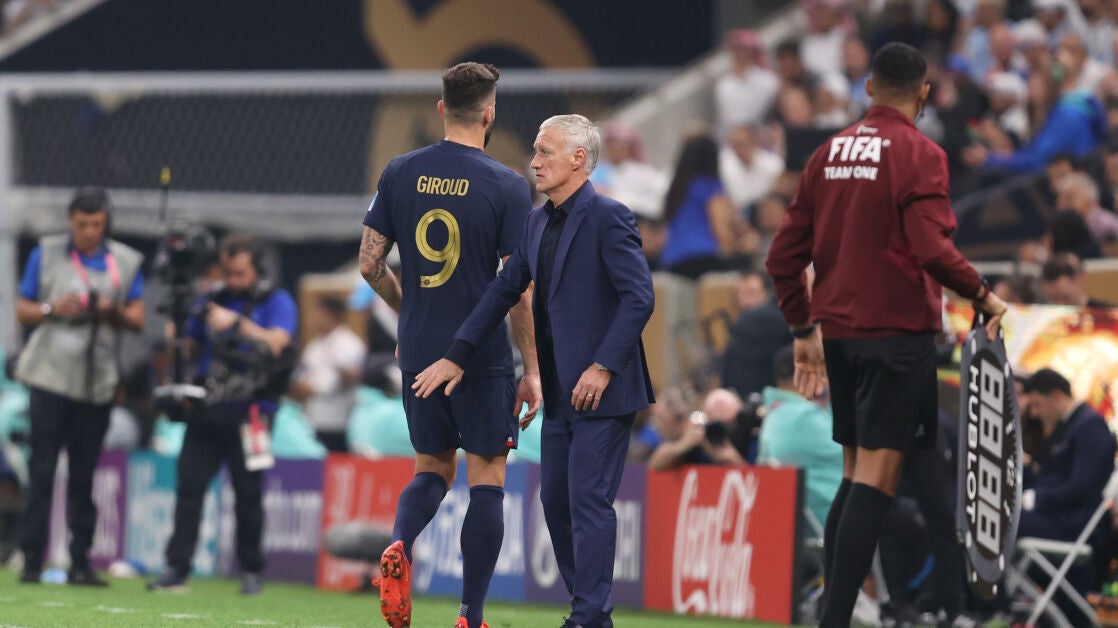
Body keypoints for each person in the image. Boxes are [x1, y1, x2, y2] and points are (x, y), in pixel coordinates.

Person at [764, 42, 1008, 626]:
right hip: (897, 335)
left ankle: (832, 615)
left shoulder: (828, 153)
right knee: (878, 477)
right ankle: (835, 620)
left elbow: (782, 257)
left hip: (840, 337)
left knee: (855, 473)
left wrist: (801, 326)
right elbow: (930, 247)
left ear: (869, 87)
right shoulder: (920, 153)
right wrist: (982, 294)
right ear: (924, 94)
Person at [413, 113, 655, 628]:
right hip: (563, 392)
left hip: (603, 390)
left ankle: (587, 617)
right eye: (536, 150)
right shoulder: (537, 221)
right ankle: (591, 614)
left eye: (545, 152)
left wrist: (603, 366)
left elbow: (639, 297)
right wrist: (457, 353)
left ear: (578, 159)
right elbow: (502, 291)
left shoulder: (610, 216)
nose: (534, 161)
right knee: (556, 504)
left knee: (587, 501)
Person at [357, 62, 540, 628]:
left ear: (441, 108)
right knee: (487, 477)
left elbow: (369, 265)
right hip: (479, 355)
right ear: (489, 114)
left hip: (417, 350)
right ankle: (469, 616)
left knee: (432, 466)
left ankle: (400, 543)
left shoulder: (400, 170)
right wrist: (532, 369)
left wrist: (408, 314)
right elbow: (517, 288)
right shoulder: (508, 184)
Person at [148, 234, 297, 595]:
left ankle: (251, 569)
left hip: (253, 411)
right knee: (189, 487)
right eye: (228, 273)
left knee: (248, 492)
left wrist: (238, 324)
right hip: (207, 406)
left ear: (257, 270)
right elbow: (182, 342)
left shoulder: (275, 300)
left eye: (240, 273)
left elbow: (279, 343)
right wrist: (180, 323)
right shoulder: (211, 299)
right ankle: (177, 567)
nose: (233, 280)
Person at [13, 187, 145, 586]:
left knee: (85, 475)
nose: (90, 231)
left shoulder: (124, 261)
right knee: (42, 470)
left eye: (97, 224)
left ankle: (81, 561)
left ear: (106, 223)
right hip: (50, 377)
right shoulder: (47, 252)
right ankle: (32, 559)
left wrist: (111, 310)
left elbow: (137, 320)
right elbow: (23, 310)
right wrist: (54, 308)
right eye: (83, 224)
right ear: (71, 221)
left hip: (96, 381)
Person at [1020, 368, 1116, 607]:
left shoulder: (1090, 426)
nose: (1033, 413)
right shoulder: (1068, 426)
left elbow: (1082, 486)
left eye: (1037, 405)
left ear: (1055, 396)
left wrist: (1036, 498)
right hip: (1060, 519)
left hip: (1074, 525)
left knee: (1003, 522)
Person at [659, 134, 748, 279]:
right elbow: (721, 229)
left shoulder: (676, 191)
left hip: (672, 261)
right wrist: (739, 248)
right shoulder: (710, 186)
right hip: (703, 258)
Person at [289, 295, 366, 453]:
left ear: (330, 315)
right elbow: (303, 374)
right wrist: (300, 385)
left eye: (317, 314)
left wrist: (314, 387)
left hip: (341, 422)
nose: (313, 319)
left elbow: (343, 381)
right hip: (313, 419)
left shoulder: (350, 343)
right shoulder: (313, 346)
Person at [714, 29, 780, 138]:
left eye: (744, 50)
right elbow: (723, 121)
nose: (741, 55)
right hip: (731, 138)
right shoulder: (723, 85)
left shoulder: (769, 81)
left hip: (760, 137)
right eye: (736, 51)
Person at [1041, 252, 1113, 307]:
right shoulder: (1043, 318)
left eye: (1066, 298)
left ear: (1080, 279)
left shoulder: (1108, 314)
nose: (1060, 305)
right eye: (1054, 299)